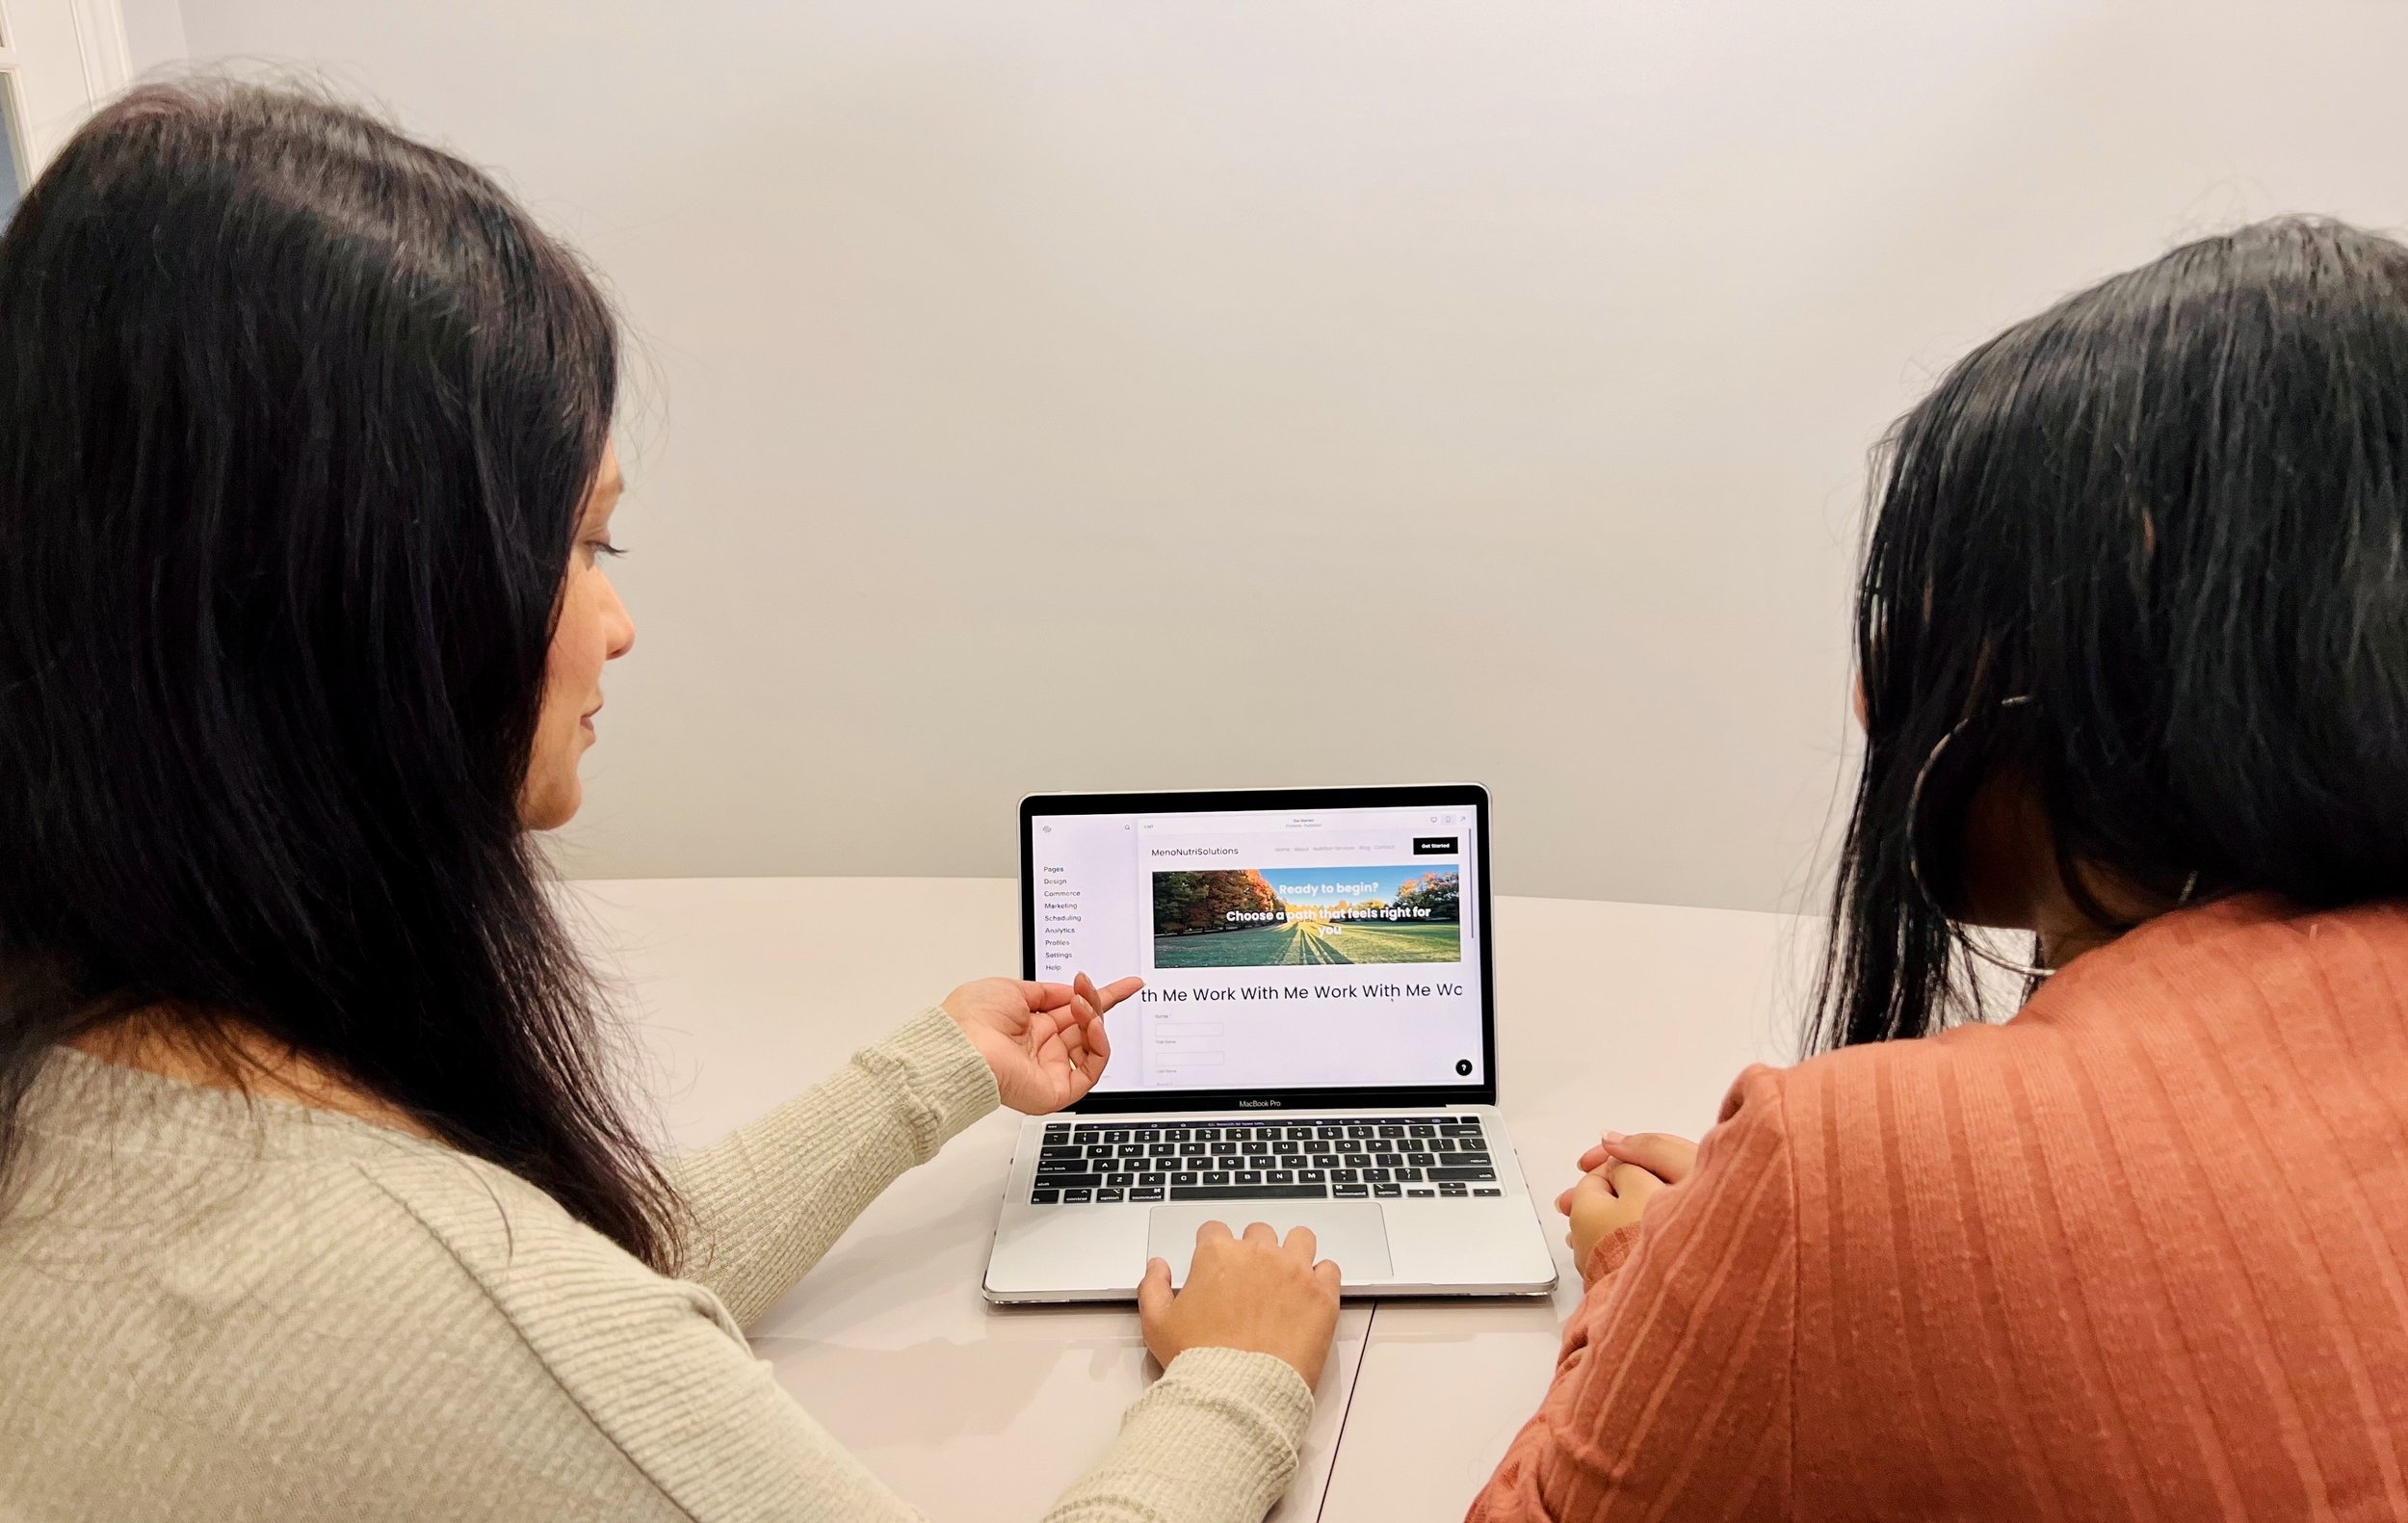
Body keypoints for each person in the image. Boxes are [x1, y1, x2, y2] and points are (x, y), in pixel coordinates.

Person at [0, 83, 1340, 1522]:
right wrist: (1239, 1374)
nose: (619, 623)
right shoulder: (412, 1297)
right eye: (583, 541)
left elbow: (579, 1279)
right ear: (364, 609)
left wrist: (937, 1065)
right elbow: (535, 1331)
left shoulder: (91, 1071)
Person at [1468, 218, 2408, 1519]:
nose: (1872, 697)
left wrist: (1648, 1283)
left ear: (2125, 622)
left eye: (1934, 613)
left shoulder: (1853, 1168)